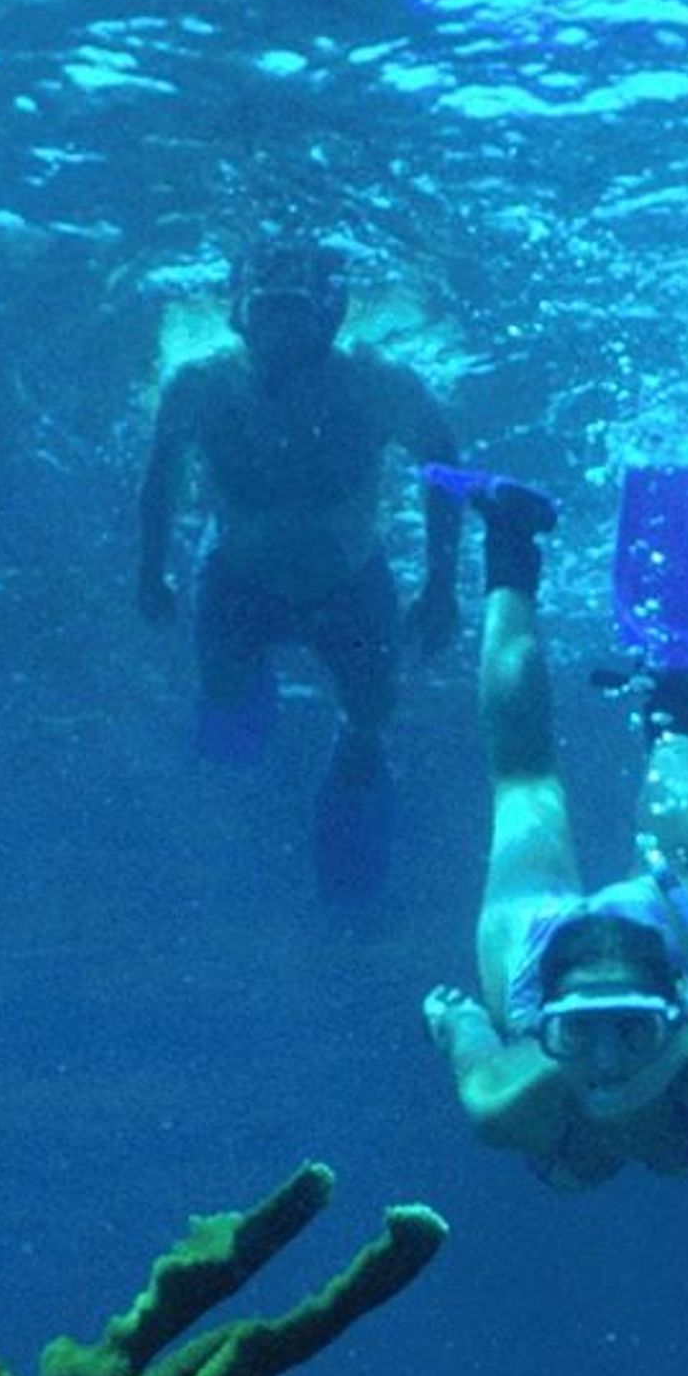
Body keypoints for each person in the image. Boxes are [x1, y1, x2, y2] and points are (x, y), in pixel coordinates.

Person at [421, 466, 688, 1186]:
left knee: (536, 787)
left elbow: (471, 1040)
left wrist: (455, 1022)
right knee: (523, 782)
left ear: (680, 1015)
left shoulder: (507, 1105)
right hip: (562, 946)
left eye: (628, 1029)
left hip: (539, 949)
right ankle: (512, 535)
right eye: (585, 1032)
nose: (608, 1063)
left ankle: (673, 709)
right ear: (683, 1010)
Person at [137, 230, 463, 902]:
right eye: (269, 309)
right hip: (237, 575)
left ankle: (348, 764)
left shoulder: (379, 384)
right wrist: (150, 569)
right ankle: (263, 726)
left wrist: (441, 584)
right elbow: (160, 477)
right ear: (240, 311)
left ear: (332, 314)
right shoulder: (199, 385)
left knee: (372, 715)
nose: (281, 333)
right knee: (226, 694)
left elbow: (443, 464)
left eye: (298, 311)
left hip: (348, 579)